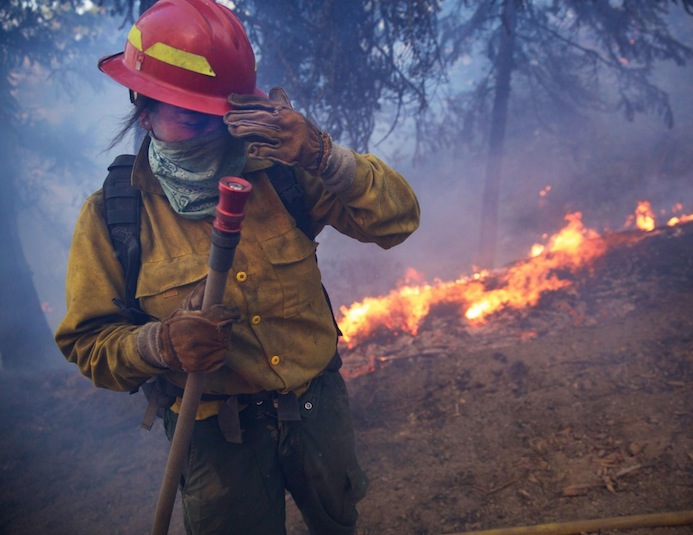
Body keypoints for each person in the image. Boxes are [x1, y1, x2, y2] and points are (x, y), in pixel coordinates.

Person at [54, 0, 420, 534]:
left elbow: (397, 220)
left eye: (219, 116)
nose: (211, 134)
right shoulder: (114, 217)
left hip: (316, 406)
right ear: (145, 107)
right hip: (214, 434)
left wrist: (322, 154)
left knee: (338, 522)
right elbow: (88, 344)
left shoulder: (282, 169)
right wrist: (159, 344)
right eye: (189, 116)